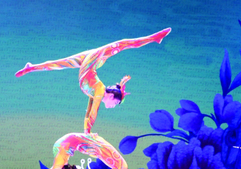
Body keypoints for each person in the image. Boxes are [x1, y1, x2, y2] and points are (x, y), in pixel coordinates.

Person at [16, 28, 171, 134]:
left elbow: (88, 111)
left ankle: (31, 67)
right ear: (111, 96)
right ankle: (154, 38)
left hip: (89, 63)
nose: (113, 106)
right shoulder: (99, 89)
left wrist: (86, 132)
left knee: (60, 64)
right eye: (115, 103)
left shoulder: (95, 93)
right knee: (122, 44)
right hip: (94, 59)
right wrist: (88, 131)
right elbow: (94, 112)